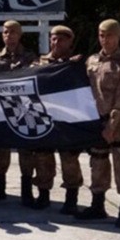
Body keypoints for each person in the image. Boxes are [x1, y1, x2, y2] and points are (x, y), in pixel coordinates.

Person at [77, 19, 120, 224]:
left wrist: (112, 125)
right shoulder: (92, 61)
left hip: (118, 124)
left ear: (118, 36)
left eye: (110, 35)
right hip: (96, 123)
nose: (105, 40)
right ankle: (98, 205)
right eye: (102, 35)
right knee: (97, 164)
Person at [29, 26, 84, 211]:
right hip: (45, 117)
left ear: (70, 41)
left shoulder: (77, 64)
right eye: (53, 38)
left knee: (69, 159)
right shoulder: (39, 63)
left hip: (68, 119)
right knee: (43, 158)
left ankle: (71, 198)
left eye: (62, 39)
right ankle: (43, 195)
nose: (56, 42)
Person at [0, 20, 37, 201]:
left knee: (26, 150)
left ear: (20, 34)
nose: (9, 35)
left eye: (13, 32)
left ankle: (27, 191)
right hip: (2, 110)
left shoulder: (30, 57)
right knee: (0, 149)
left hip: (24, 108)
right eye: (6, 32)